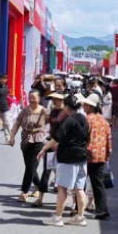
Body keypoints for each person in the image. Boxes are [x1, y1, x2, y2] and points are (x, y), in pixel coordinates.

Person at [37, 94, 90, 227]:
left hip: (68, 158)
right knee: (79, 189)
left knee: (62, 188)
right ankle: (80, 217)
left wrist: (44, 148)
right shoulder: (84, 119)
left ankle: (58, 217)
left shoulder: (69, 120)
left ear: (66, 106)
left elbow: (56, 138)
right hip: (82, 157)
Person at [9, 91, 50, 203]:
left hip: (39, 141)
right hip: (26, 141)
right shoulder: (25, 110)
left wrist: (46, 135)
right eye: (30, 97)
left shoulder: (44, 111)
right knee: (30, 166)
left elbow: (50, 125)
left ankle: (24, 192)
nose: (32, 100)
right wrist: (12, 137)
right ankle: (38, 186)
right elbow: (17, 123)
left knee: (30, 167)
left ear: (39, 98)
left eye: (34, 98)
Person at [83, 93, 112, 220]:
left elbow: (83, 137)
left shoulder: (87, 119)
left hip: (88, 155)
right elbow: (109, 139)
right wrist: (108, 155)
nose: (83, 106)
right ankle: (102, 209)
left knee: (81, 183)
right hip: (101, 155)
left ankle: (78, 208)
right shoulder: (104, 120)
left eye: (85, 104)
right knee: (98, 184)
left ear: (90, 106)